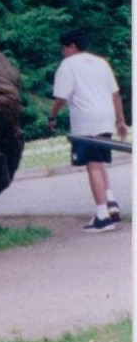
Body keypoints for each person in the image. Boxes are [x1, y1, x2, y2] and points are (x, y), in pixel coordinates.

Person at [48, 28, 129, 233]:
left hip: (86, 120)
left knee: (92, 165)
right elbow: (115, 94)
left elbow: (61, 97)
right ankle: (110, 202)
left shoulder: (68, 65)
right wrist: (121, 121)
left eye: (63, 48)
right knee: (99, 161)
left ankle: (102, 217)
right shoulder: (101, 62)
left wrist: (52, 116)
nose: (62, 53)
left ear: (72, 46)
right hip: (106, 117)